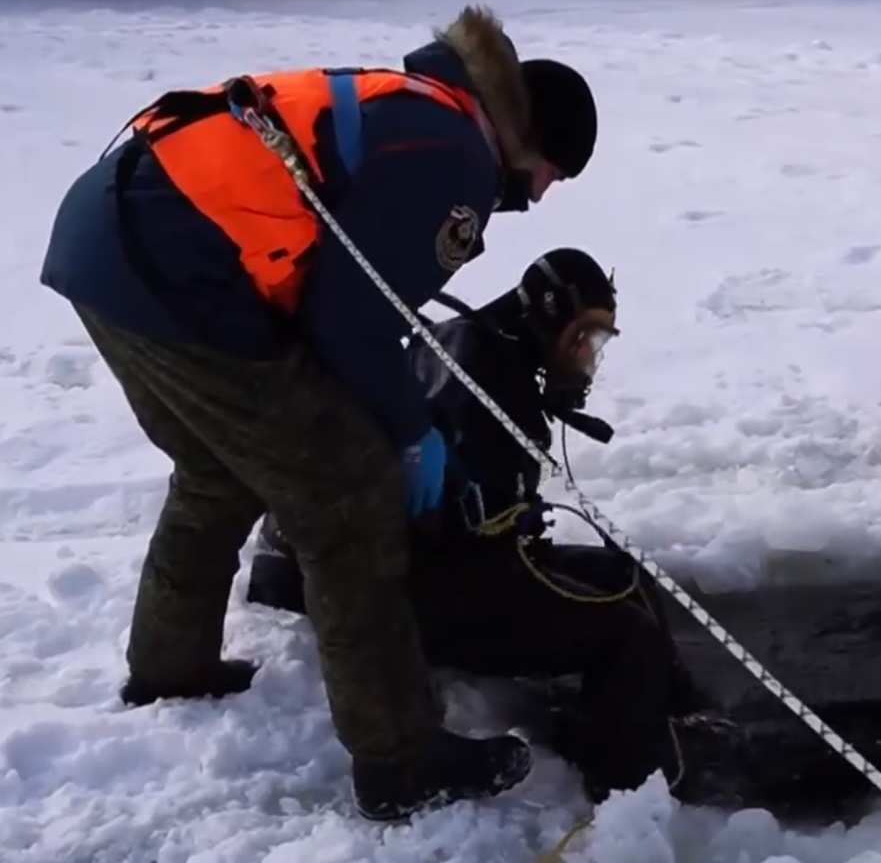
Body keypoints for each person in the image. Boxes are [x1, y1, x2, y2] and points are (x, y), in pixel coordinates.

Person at [38, 4, 598, 822]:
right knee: (348, 497)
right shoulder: (451, 157)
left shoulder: (418, 106)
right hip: (174, 271)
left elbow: (343, 276)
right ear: (529, 140)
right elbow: (351, 322)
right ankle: (401, 756)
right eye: (555, 174)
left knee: (219, 464)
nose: (544, 196)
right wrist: (410, 433)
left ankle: (170, 664)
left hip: (114, 246)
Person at [246, 247, 710, 804]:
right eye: (584, 337)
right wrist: (507, 528)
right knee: (625, 635)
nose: (590, 356)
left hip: (417, 557)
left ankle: (684, 718)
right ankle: (635, 786)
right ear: (547, 316)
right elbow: (458, 534)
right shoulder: (482, 382)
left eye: (600, 342)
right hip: (401, 583)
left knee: (622, 574)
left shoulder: (476, 343)